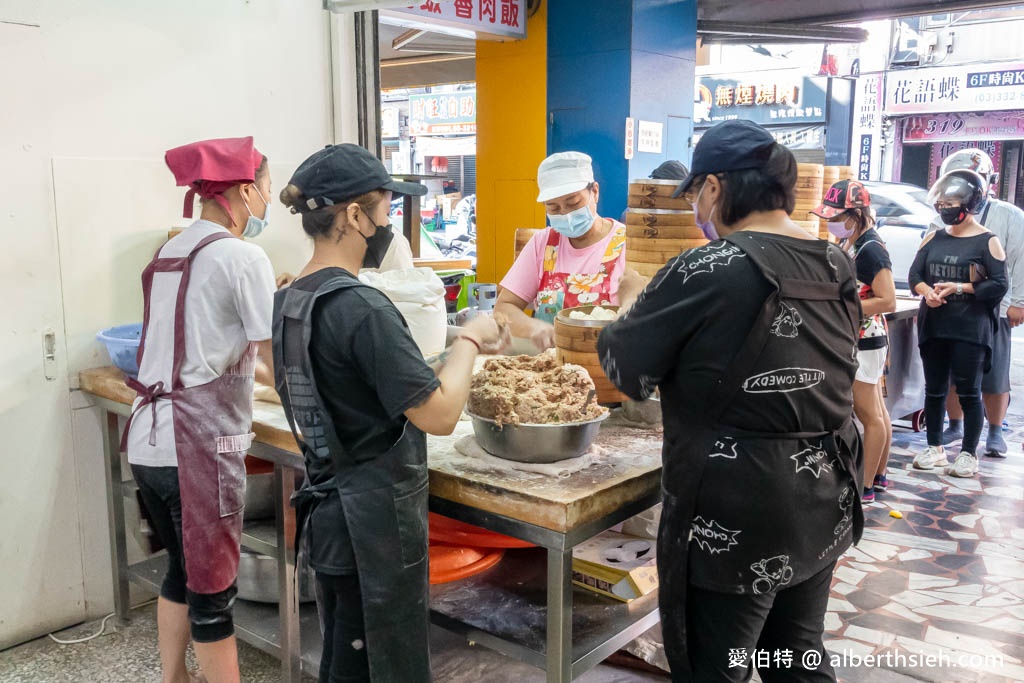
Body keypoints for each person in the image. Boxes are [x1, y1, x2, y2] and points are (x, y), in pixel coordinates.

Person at [598, 119, 863, 681]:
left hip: (735, 513)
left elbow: (625, 369)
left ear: (715, 187)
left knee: (716, 670)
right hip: (822, 494)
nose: (697, 206)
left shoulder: (709, 266)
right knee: (795, 658)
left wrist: (629, 301)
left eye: (696, 192)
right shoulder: (837, 261)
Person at [272, 143, 508, 683]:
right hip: (369, 529)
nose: (388, 223)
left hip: (329, 518)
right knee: (383, 666)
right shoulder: (361, 306)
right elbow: (441, 414)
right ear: (354, 215)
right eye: (383, 209)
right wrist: (469, 338)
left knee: (344, 662)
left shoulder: (289, 299)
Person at [124, 136, 277, 683]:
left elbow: (207, 342)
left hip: (147, 437)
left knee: (180, 571)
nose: (267, 201)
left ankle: (173, 678)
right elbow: (272, 348)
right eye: (264, 189)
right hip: (198, 448)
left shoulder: (168, 253)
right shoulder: (243, 255)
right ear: (241, 190)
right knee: (213, 592)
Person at [910, 169, 1008, 478]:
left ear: (970, 204)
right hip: (935, 325)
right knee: (935, 389)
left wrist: (961, 288)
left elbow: (998, 284)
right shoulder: (933, 236)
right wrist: (927, 292)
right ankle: (935, 447)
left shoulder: (987, 241)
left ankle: (968, 453)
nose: (945, 208)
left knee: (969, 391)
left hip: (970, 329)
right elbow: (916, 276)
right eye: (942, 203)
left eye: (951, 202)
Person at [495, 151, 646, 350]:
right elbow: (504, 307)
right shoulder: (543, 243)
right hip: (552, 370)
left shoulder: (629, 244)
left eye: (573, 203)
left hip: (608, 368)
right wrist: (533, 328)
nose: (566, 215)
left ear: (595, 192)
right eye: (554, 208)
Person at [930, 149, 1024, 457]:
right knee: (955, 374)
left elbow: (1020, 261)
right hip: (950, 308)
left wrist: (1019, 302)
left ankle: (995, 432)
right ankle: (955, 425)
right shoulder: (940, 217)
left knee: (994, 375)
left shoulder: (1009, 216)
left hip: (993, 308)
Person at [812, 180, 897, 503]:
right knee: (877, 410)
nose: (832, 222)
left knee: (868, 414)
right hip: (861, 337)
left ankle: (864, 487)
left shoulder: (871, 248)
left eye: (837, 216)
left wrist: (843, 306)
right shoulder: (852, 241)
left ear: (856, 214)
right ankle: (879, 474)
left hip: (867, 340)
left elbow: (887, 300)